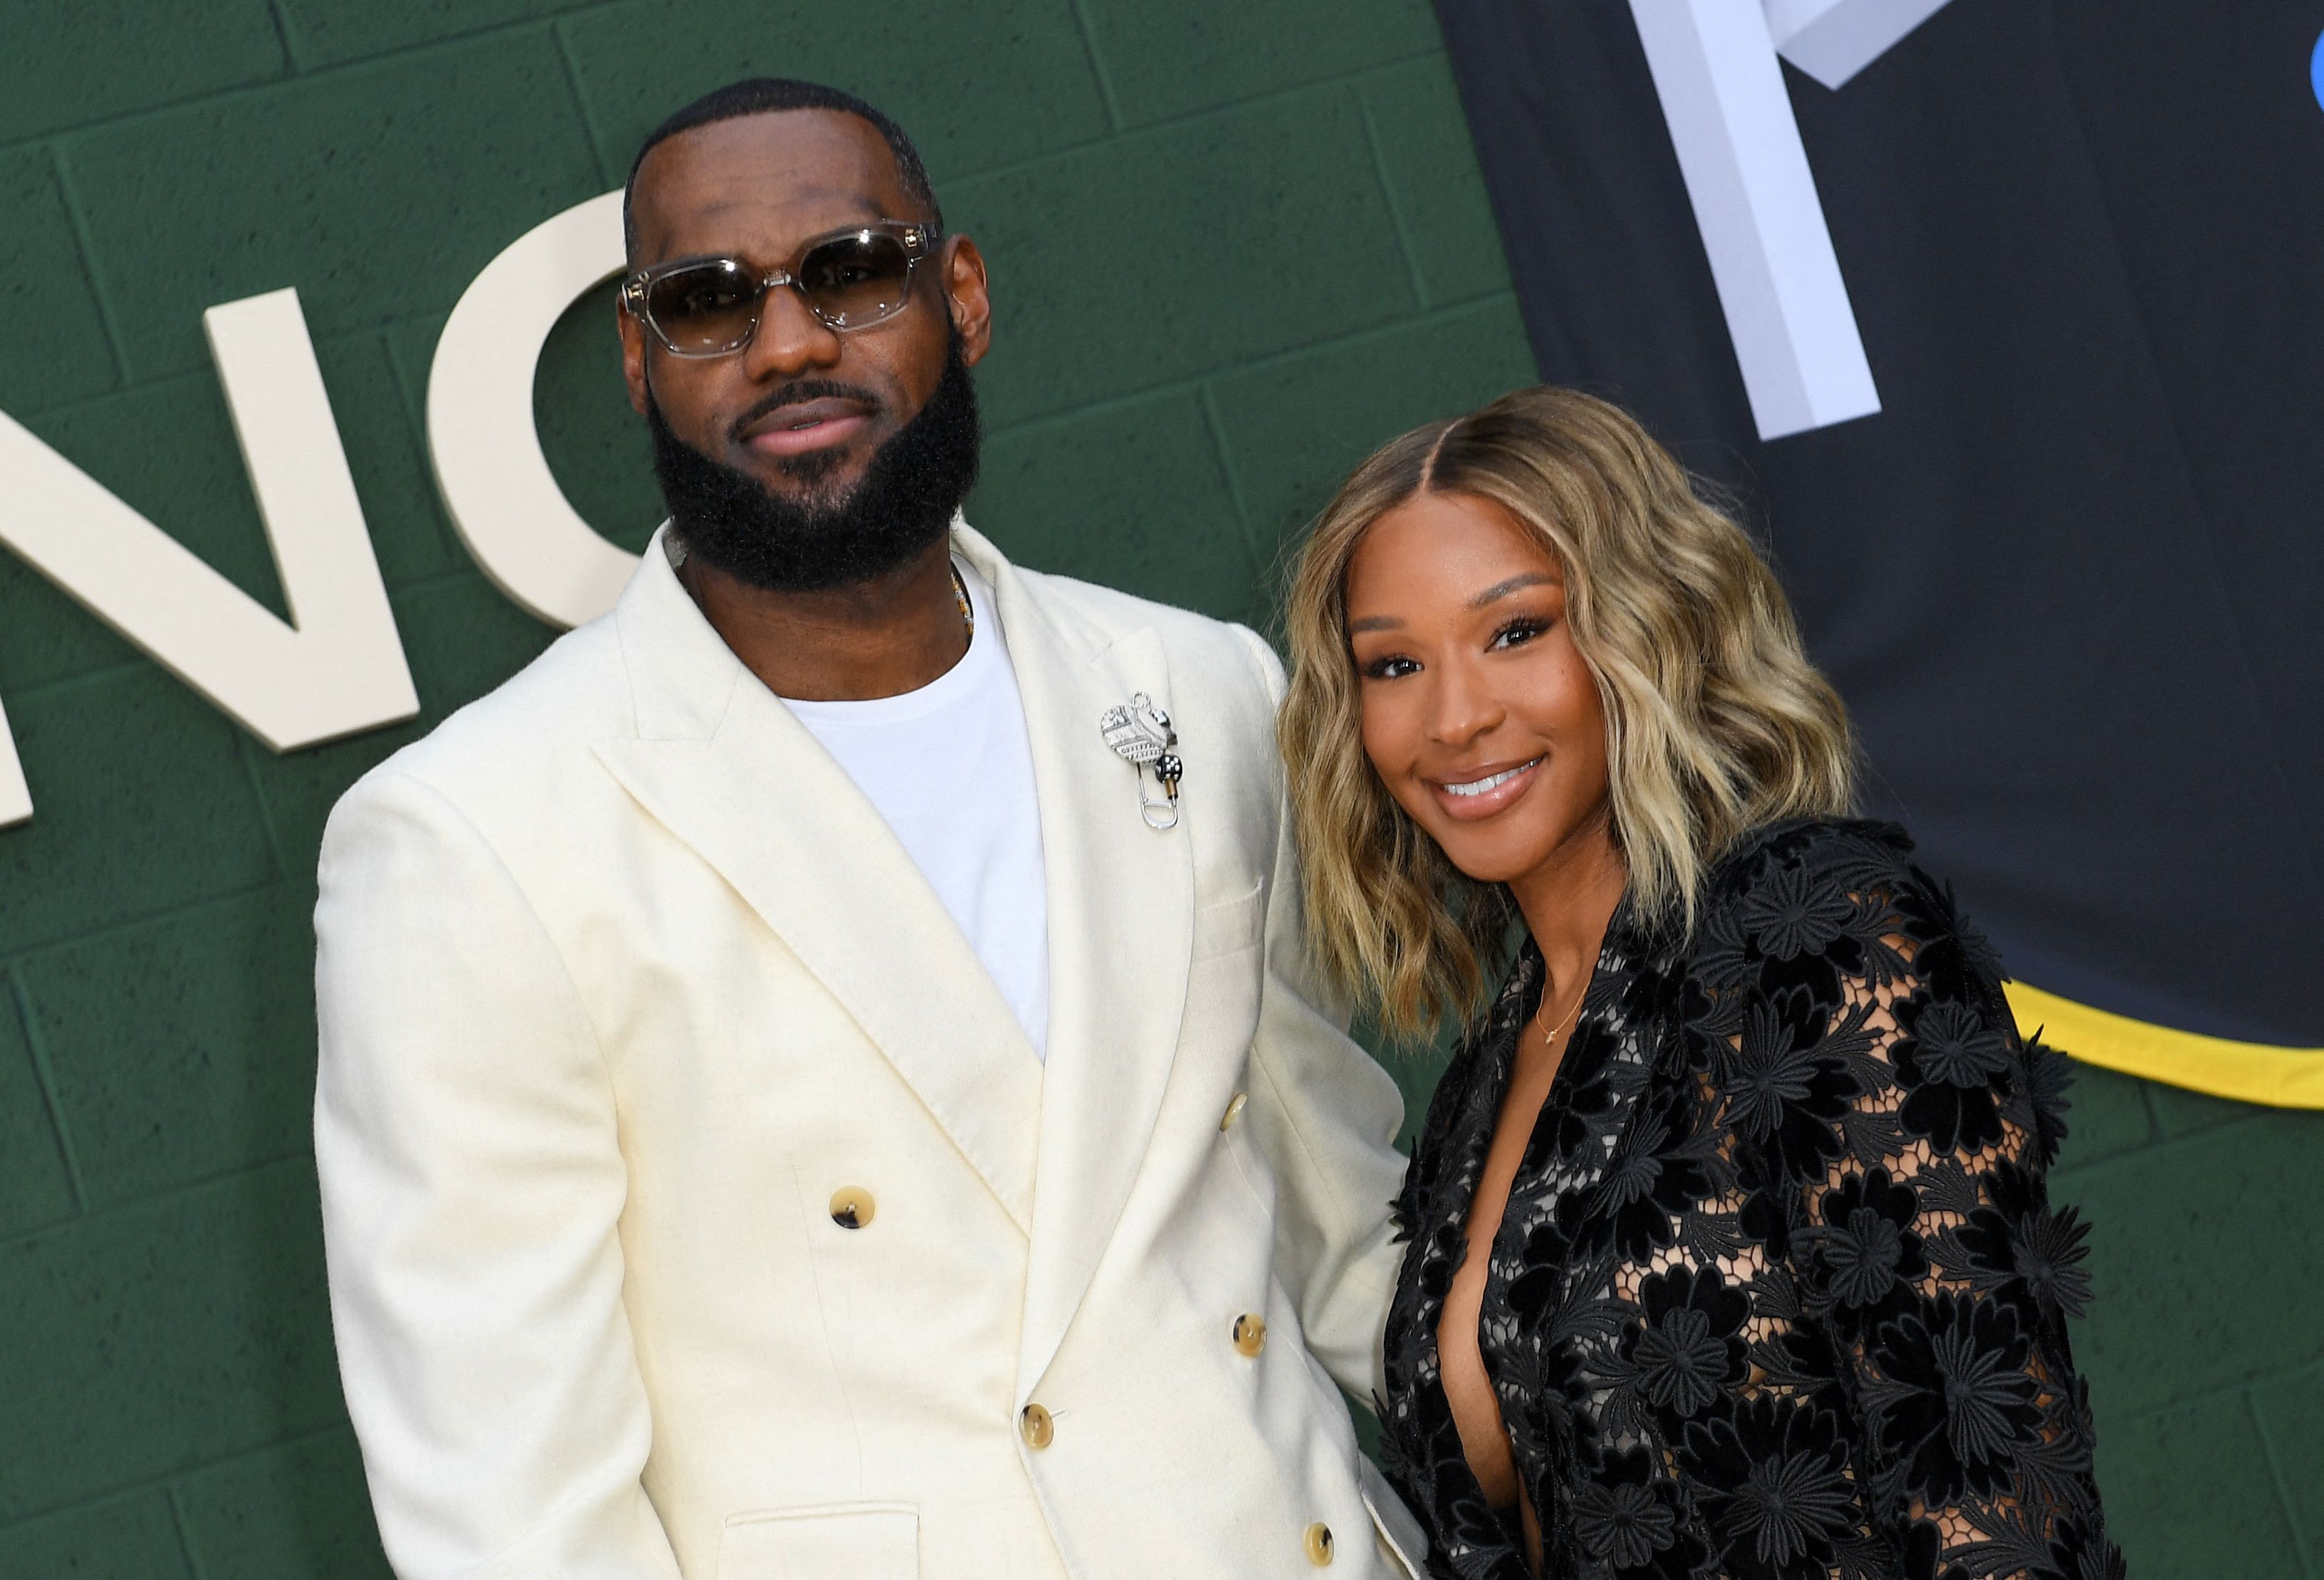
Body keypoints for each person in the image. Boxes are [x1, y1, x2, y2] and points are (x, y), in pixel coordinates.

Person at [314, 78, 1427, 1580]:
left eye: (846, 271)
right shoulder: (473, 837)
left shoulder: (1197, 687)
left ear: (956, 293)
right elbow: (513, 1513)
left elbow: (1346, 1228)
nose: (786, 344)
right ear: (640, 363)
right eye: (709, 303)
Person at [1278, 387, 2117, 1580]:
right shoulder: (1489, 1073)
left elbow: (1993, 1497)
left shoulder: (1815, 934)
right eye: (1395, 663)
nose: (1455, 717)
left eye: (1515, 632)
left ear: (1644, 628)